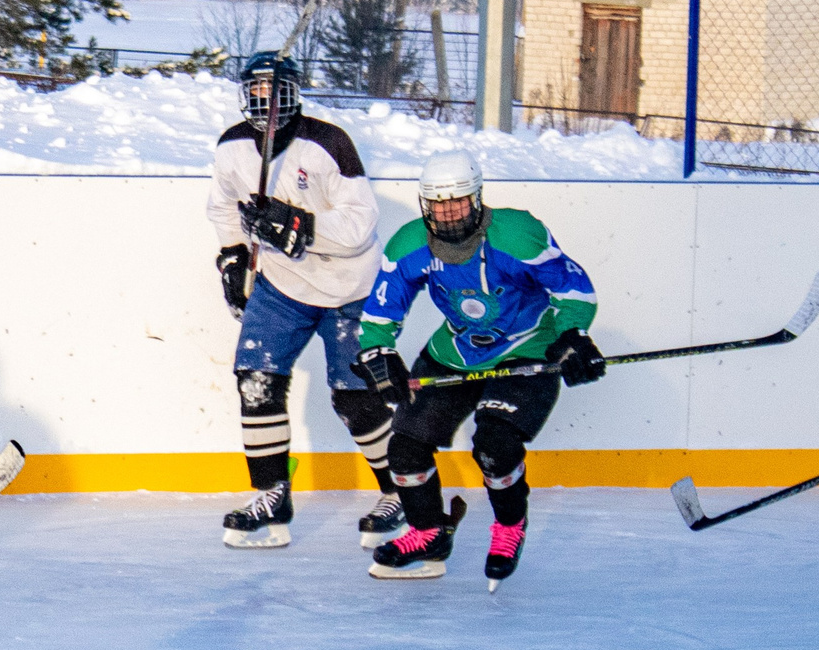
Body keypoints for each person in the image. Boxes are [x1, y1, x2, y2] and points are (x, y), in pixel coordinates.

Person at [355, 149, 604, 586]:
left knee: (494, 443)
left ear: (478, 197)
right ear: (424, 204)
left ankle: (509, 527)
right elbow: (381, 310)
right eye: (437, 203)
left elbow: (576, 290)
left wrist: (571, 336)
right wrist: (379, 353)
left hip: (527, 351)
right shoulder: (409, 244)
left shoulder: (518, 235)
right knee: (405, 448)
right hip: (454, 352)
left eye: (458, 201)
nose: (448, 212)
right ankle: (428, 533)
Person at [205, 51, 397, 549]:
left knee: (354, 397)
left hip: (349, 286)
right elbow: (225, 205)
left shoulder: (327, 144)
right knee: (255, 379)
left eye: (277, 91)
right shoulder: (232, 148)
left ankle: (399, 492)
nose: (266, 101)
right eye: (256, 91)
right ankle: (272, 495)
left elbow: (359, 227)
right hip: (283, 284)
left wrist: (297, 223)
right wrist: (231, 258)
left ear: (295, 92)